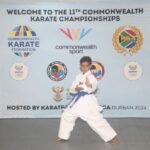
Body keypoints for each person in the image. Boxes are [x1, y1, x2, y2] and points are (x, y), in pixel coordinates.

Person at [56, 56, 119, 144]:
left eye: (86, 66)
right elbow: (72, 88)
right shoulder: (78, 76)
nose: (84, 68)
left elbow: (93, 86)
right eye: (83, 66)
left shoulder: (91, 77)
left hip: (87, 102)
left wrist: (89, 85)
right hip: (77, 102)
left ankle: (112, 137)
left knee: (96, 120)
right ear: (80, 66)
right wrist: (76, 89)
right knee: (66, 115)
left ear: (90, 66)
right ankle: (63, 136)